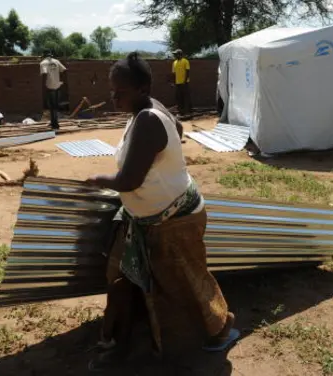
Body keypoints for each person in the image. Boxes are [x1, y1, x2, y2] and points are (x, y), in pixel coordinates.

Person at [85, 52, 239, 371]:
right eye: (112, 91)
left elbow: (128, 180)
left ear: (142, 88)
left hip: (175, 220)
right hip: (145, 220)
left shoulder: (149, 118)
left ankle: (221, 329)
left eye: (120, 92)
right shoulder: (147, 109)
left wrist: (96, 180)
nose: (114, 98)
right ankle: (117, 345)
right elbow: (179, 129)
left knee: (189, 284)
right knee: (121, 279)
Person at [40, 50, 67, 130]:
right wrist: (60, 81)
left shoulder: (43, 63)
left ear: (44, 56)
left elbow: (44, 74)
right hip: (57, 86)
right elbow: (64, 70)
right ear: (51, 56)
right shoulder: (56, 61)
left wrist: (44, 86)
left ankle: (55, 125)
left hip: (49, 87)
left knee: (51, 107)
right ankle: (54, 122)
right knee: (55, 106)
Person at [172, 49, 192, 115]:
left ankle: (187, 111)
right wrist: (174, 82)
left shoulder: (185, 61)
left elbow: (187, 71)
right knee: (178, 97)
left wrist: (185, 81)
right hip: (177, 83)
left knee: (185, 97)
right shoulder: (174, 63)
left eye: (176, 54)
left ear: (180, 54)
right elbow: (174, 73)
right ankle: (181, 111)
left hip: (184, 83)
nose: (175, 55)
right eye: (174, 54)